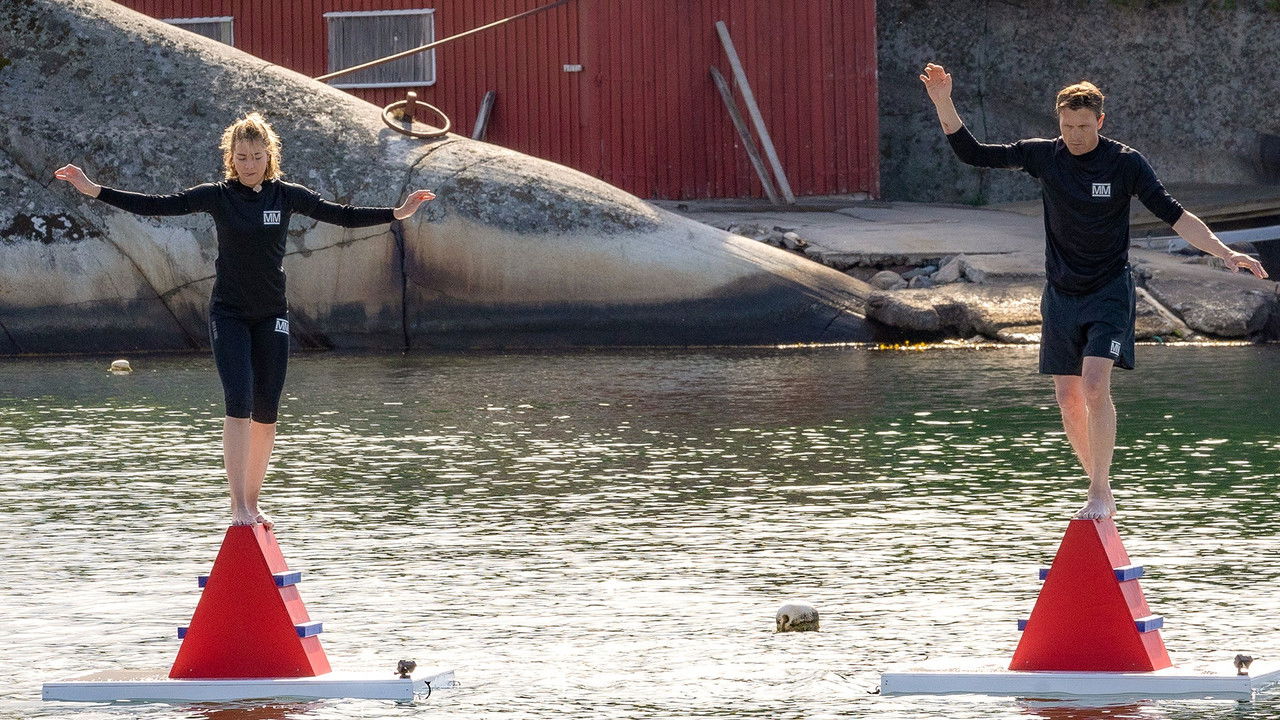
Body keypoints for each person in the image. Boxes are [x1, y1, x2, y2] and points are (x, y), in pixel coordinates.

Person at [55, 112, 436, 530]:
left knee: (266, 409)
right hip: (230, 314)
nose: (249, 164)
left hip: (272, 314)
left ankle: (253, 504)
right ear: (230, 158)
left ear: (269, 155)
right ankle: (237, 505)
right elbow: (159, 206)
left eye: (256, 156)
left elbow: (339, 215)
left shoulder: (285, 195)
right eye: (241, 157)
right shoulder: (218, 196)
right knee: (238, 401)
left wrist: (398, 213)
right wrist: (93, 190)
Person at [920, 64, 1267, 519]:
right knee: (1067, 399)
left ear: (1100, 122)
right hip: (1061, 292)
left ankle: (1100, 491)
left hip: (1109, 290)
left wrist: (1224, 253)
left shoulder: (1125, 163)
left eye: (1084, 127)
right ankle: (1098, 485)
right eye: (1067, 127)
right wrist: (944, 100)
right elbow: (972, 153)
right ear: (1058, 122)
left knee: (1095, 384)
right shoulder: (1045, 155)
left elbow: (1175, 215)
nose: (1076, 135)